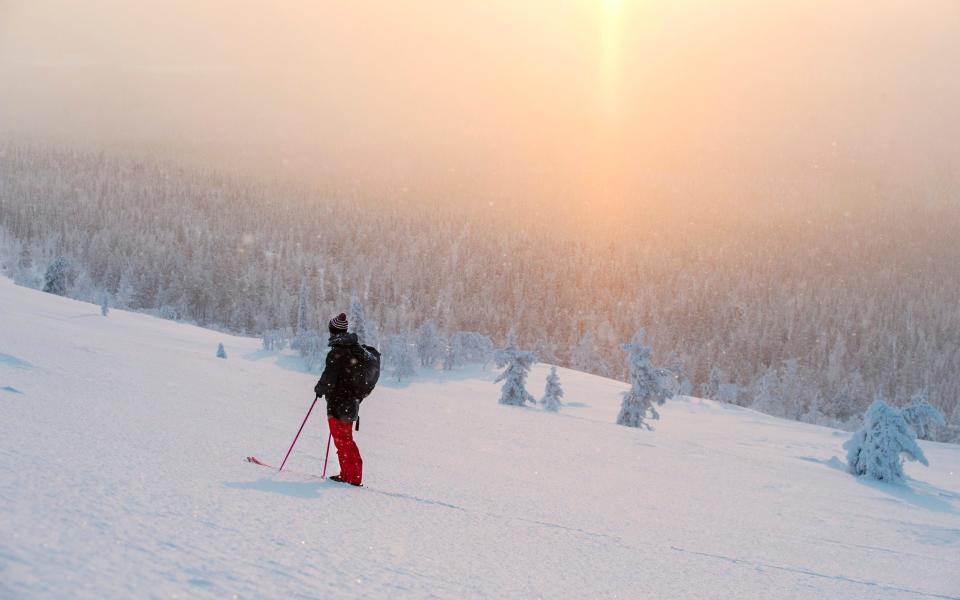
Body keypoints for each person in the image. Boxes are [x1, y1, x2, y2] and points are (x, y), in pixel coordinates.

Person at [314, 312, 365, 486]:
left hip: (338, 404)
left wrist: (319, 388)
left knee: (342, 440)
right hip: (351, 404)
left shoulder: (337, 353)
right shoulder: (353, 350)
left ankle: (349, 477)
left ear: (333, 332)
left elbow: (329, 378)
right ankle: (352, 475)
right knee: (346, 440)